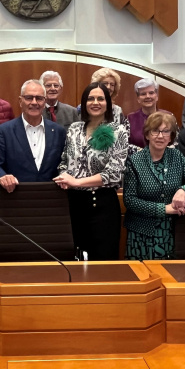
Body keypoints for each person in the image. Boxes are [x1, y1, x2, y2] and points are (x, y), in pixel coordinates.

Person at [54, 83, 128, 260]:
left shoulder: (118, 131)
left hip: (102, 204)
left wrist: (77, 182)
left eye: (100, 98)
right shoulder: (74, 129)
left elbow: (115, 173)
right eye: (91, 98)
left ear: (108, 103)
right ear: (84, 103)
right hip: (73, 203)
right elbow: (64, 160)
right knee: (74, 258)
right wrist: (64, 176)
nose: (95, 102)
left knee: (102, 260)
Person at [123, 112, 185, 260]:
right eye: (155, 131)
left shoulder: (177, 157)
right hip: (141, 232)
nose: (160, 136)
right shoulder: (134, 161)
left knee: (171, 275)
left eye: (166, 131)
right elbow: (130, 201)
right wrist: (164, 209)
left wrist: (183, 190)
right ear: (147, 135)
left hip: (171, 231)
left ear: (171, 136)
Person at [0, 80, 67, 193]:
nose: (34, 102)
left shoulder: (58, 131)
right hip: (15, 198)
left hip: (51, 199)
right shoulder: (4, 131)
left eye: (39, 98)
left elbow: (64, 164)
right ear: (20, 101)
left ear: (44, 102)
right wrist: (2, 176)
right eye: (29, 98)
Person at [127, 78, 171, 148]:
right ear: (138, 99)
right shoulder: (130, 119)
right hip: (137, 158)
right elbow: (126, 145)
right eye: (143, 94)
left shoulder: (169, 116)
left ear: (156, 96)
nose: (148, 96)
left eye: (151, 93)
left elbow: (176, 142)